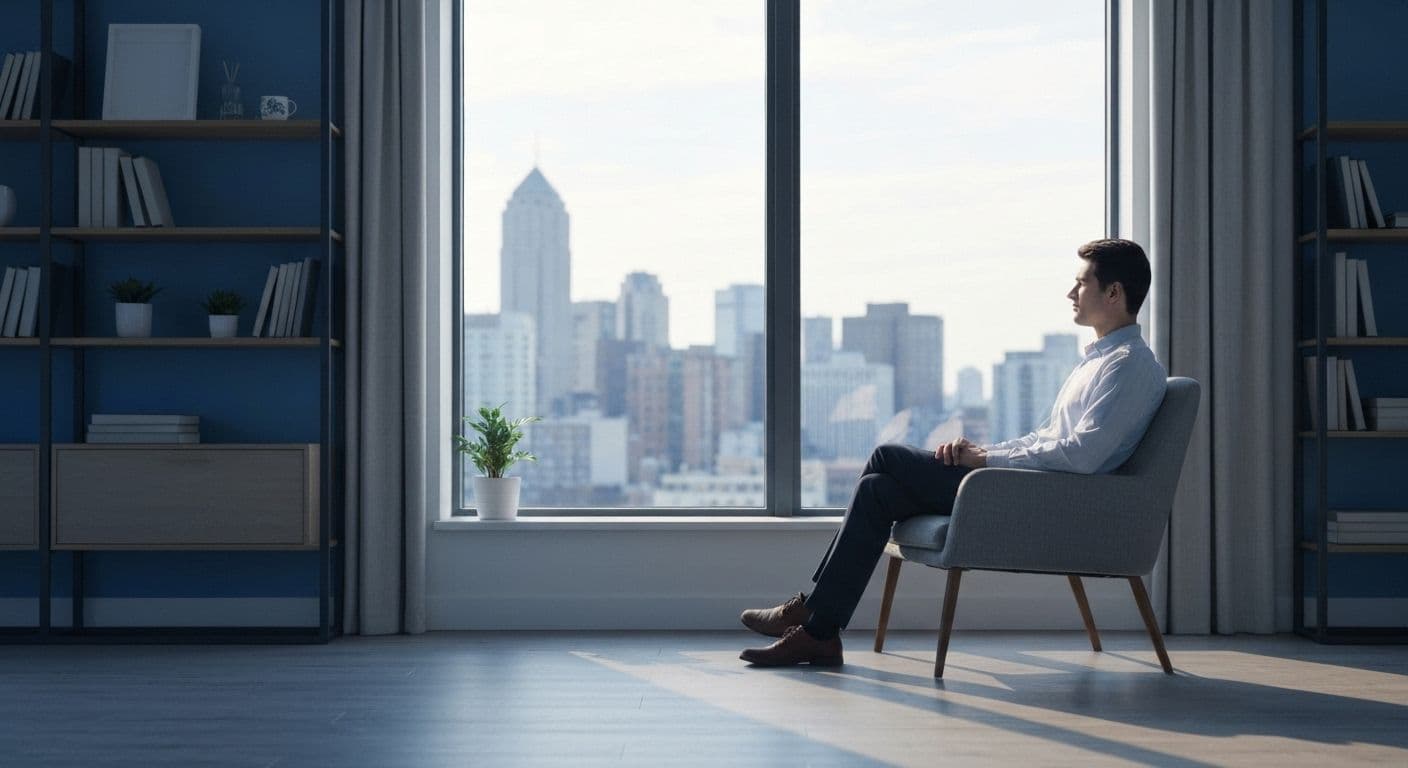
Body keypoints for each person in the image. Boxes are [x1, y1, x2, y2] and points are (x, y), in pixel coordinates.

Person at [739, 238, 1168, 667]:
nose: (1070, 293)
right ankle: (819, 633)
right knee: (877, 490)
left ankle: (814, 613)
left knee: (887, 457)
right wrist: (984, 452)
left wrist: (987, 462)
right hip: (1033, 485)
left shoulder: (1129, 365)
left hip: (1049, 501)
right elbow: (1045, 439)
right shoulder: (1096, 361)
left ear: (1113, 293)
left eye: (1080, 283)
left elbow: (1082, 456)